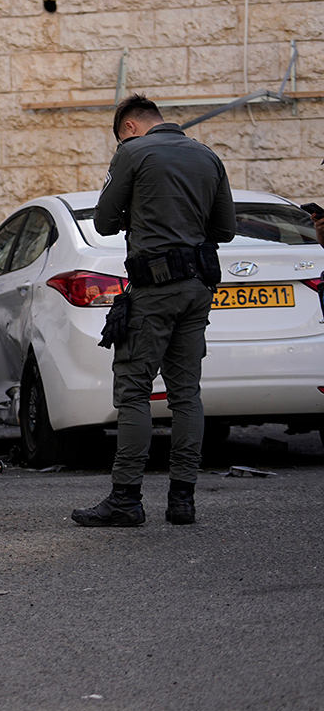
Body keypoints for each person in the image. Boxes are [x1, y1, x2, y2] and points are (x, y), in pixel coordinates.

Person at [73, 94, 235, 527]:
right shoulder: (208, 155)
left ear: (128, 126)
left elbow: (105, 222)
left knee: (134, 392)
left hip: (154, 290)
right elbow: (225, 229)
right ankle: (183, 500)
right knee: (186, 394)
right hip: (198, 289)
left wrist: (139, 214)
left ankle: (126, 499)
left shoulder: (133, 152)